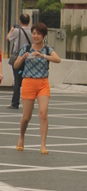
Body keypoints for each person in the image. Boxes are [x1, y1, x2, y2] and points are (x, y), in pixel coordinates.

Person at [14, 22, 61, 154]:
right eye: (34, 33)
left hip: (43, 83)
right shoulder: (26, 48)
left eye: (39, 34)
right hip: (28, 82)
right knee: (26, 116)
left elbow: (58, 59)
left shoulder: (47, 49)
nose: (36, 36)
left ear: (44, 36)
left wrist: (43, 56)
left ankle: (43, 144)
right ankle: (21, 136)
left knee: (43, 114)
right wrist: (22, 58)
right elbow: (16, 65)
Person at [6, 12, 33, 109]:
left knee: (17, 80)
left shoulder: (17, 31)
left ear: (20, 21)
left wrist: (11, 30)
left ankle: (15, 102)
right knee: (29, 80)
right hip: (29, 57)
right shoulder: (32, 31)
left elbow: (8, 38)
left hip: (18, 57)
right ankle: (30, 102)